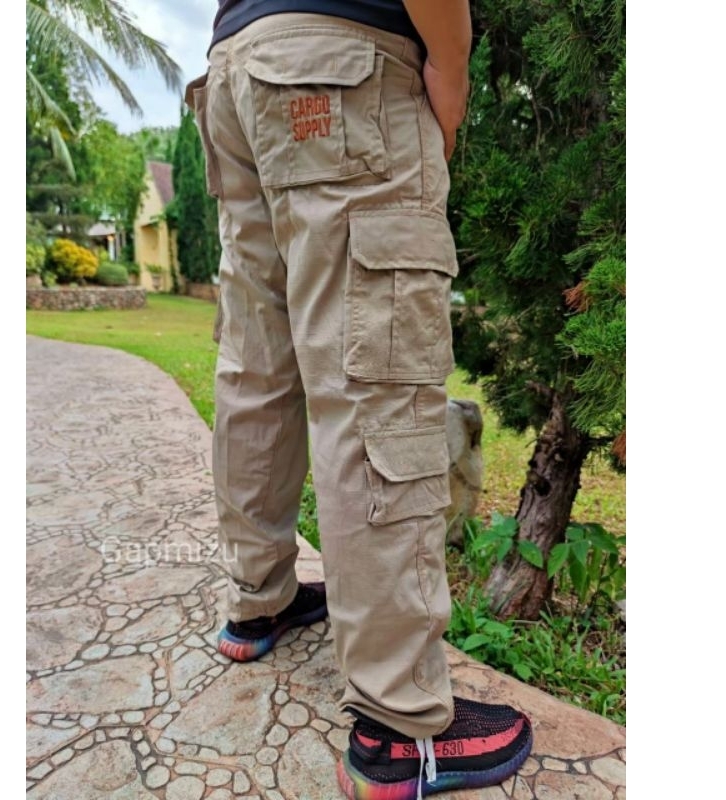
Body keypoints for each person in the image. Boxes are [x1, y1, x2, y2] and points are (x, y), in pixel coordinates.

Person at [187, 2, 533, 797]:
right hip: (343, 64)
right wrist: (451, 70)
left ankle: (256, 602)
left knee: (257, 368)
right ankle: (398, 725)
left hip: (235, 69)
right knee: (373, 384)